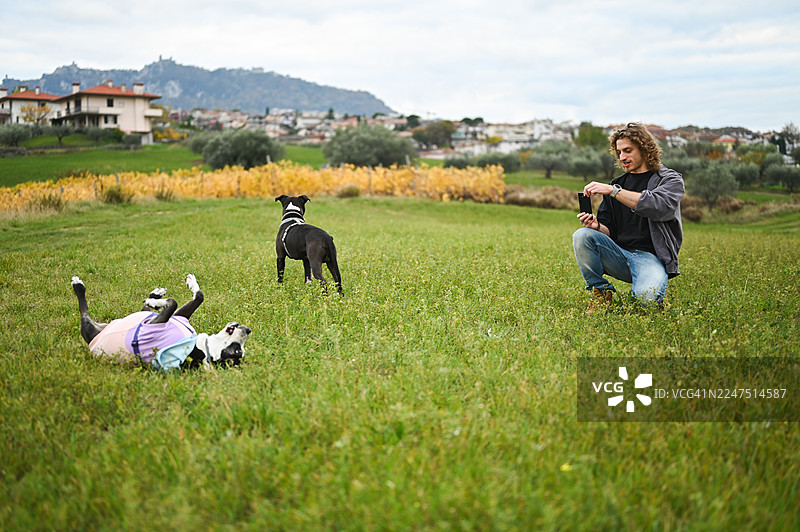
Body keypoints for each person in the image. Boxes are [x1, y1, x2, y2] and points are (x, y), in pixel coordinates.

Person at [572, 123, 684, 314]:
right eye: (619, 152)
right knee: (582, 235)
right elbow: (610, 230)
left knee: (647, 301)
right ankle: (601, 293)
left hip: (651, 258)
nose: (622, 157)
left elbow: (656, 205)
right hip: (619, 254)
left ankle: (656, 295)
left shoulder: (669, 180)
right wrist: (597, 226)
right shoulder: (617, 184)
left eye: (628, 150)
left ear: (644, 149)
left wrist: (614, 192)